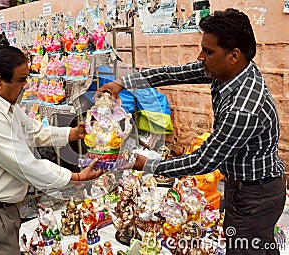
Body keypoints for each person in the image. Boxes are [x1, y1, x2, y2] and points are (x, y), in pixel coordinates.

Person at [99, 8, 285, 255]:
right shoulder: (229, 72)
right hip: (243, 187)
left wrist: (148, 165)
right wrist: (123, 82)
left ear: (234, 55)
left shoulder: (244, 108)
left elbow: (203, 161)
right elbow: (171, 73)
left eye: (208, 51)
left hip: (255, 195)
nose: (200, 57)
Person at [0, 45, 102, 255]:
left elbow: (33, 131)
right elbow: (24, 164)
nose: (25, 85)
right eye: (21, 80)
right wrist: (76, 176)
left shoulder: (3, 104)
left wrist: (72, 133)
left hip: (0, 211)